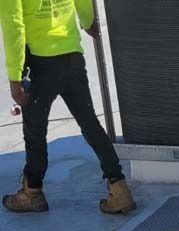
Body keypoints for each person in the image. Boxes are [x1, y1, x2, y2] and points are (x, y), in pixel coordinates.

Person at [0, 0, 135, 214]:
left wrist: (15, 76)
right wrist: (87, 21)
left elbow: (13, 24)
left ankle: (32, 192)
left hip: (40, 62)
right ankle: (119, 187)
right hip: (71, 55)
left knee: (35, 131)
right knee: (90, 124)